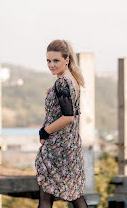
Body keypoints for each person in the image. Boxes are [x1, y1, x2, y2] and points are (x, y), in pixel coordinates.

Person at [35, 39, 88, 208]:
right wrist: (53, 92)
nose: (51, 65)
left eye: (56, 60)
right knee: (75, 196)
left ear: (67, 59)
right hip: (70, 145)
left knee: (46, 198)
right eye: (48, 61)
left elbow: (68, 116)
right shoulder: (72, 80)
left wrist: (45, 131)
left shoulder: (63, 82)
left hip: (58, 148)